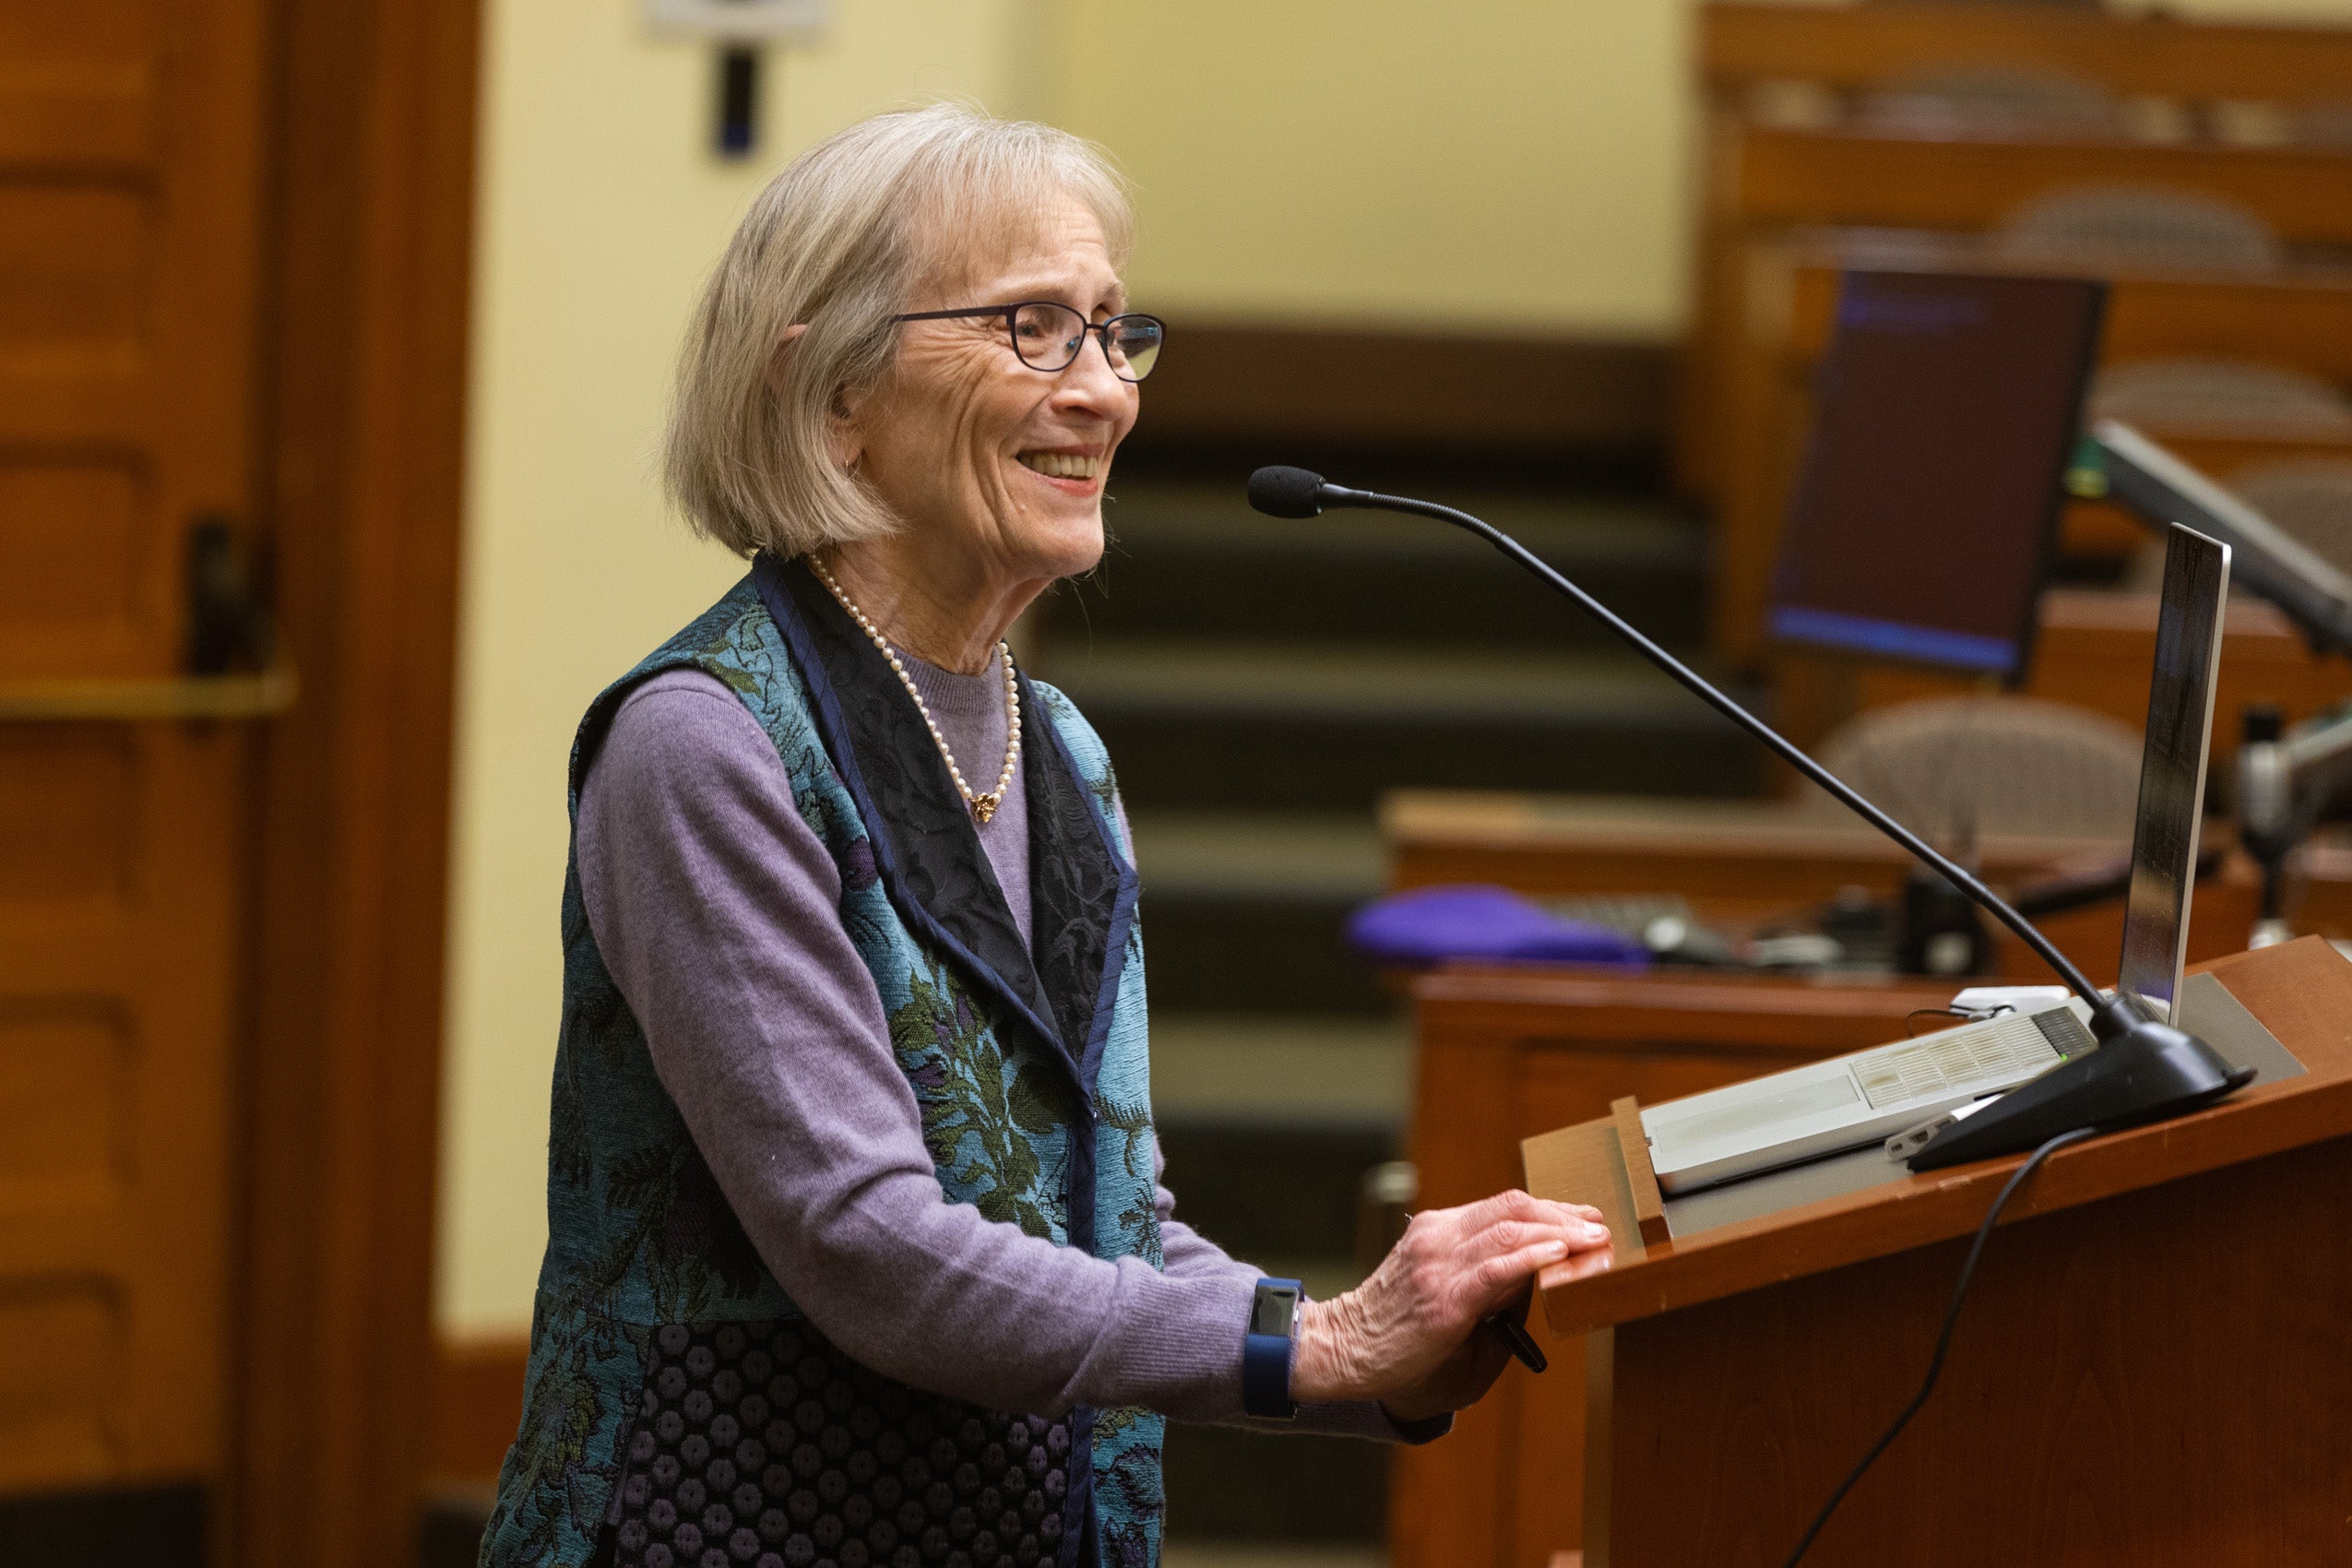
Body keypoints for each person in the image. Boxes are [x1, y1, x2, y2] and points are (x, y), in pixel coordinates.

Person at [480, 103, 1610, 1568]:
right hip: (720, 1526)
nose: (1104, 395)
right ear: (828, 391)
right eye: (1030, 327)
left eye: (1110, 331)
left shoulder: (1054, 742)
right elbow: (870, 1246)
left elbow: (1102, 1221)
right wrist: (1314, 1342)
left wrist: (1364, 1360)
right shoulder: (705, 745)